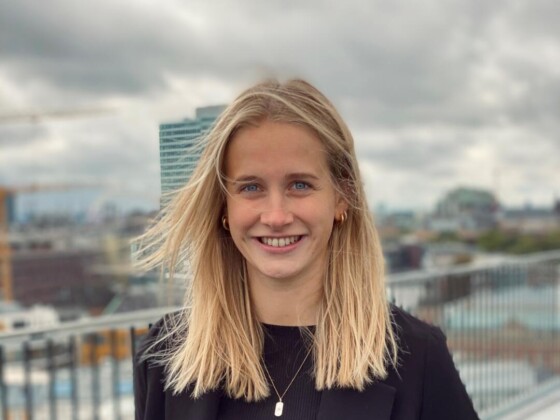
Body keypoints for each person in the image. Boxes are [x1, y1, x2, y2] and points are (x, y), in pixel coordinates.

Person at [133, 79, 479, 420]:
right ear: (224, 207)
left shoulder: (417, 357)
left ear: (342, 196)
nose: (277, 216)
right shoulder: (163, 356)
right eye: (251, 187)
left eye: (300, 185)